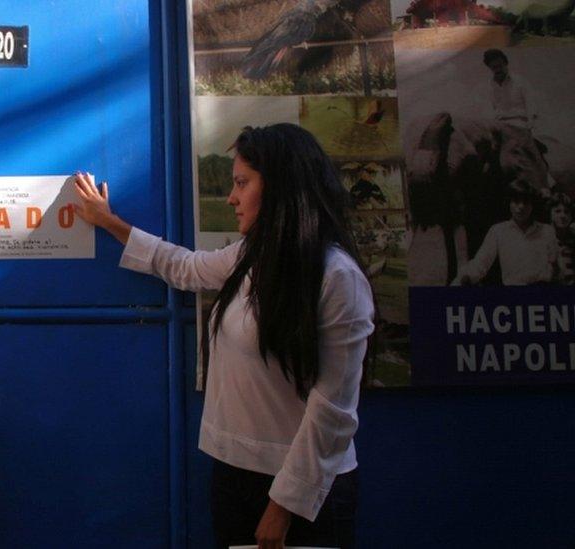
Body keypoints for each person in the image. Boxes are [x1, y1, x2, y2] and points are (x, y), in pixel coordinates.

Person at [73, 123, 374, 548]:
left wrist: (283, 506)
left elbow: (333, 411)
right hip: (234, 473)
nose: (231, 197)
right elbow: (186, 267)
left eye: (242, 183)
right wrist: (109, 223)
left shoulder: (337, 278)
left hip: (302, 494)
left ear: (282, 187)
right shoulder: (253, 255)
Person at [455, 186, 558, 286]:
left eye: (526, 202)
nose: (521, 206)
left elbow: (555, 264)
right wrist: (466, 277)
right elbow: (481, 263)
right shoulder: (498, 231)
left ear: (532, 205)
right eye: (516, 201)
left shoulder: (547, 231)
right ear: (509, 203)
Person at [483, 48, 537, 130]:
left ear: (506, 64)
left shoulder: (520, 82)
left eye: (500, 66)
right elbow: (488, 110)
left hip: (520, 124)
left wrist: (531, 123)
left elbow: (531, 105)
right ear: (489, 68)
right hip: (499, 126)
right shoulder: (489, 87)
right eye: (494, 67)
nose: (498, 70)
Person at [547, 191, 575, 284]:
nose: (563, 216)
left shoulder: (572, 237)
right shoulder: (543, 237)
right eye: (557, 211)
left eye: (567, 212)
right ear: (550, 214)